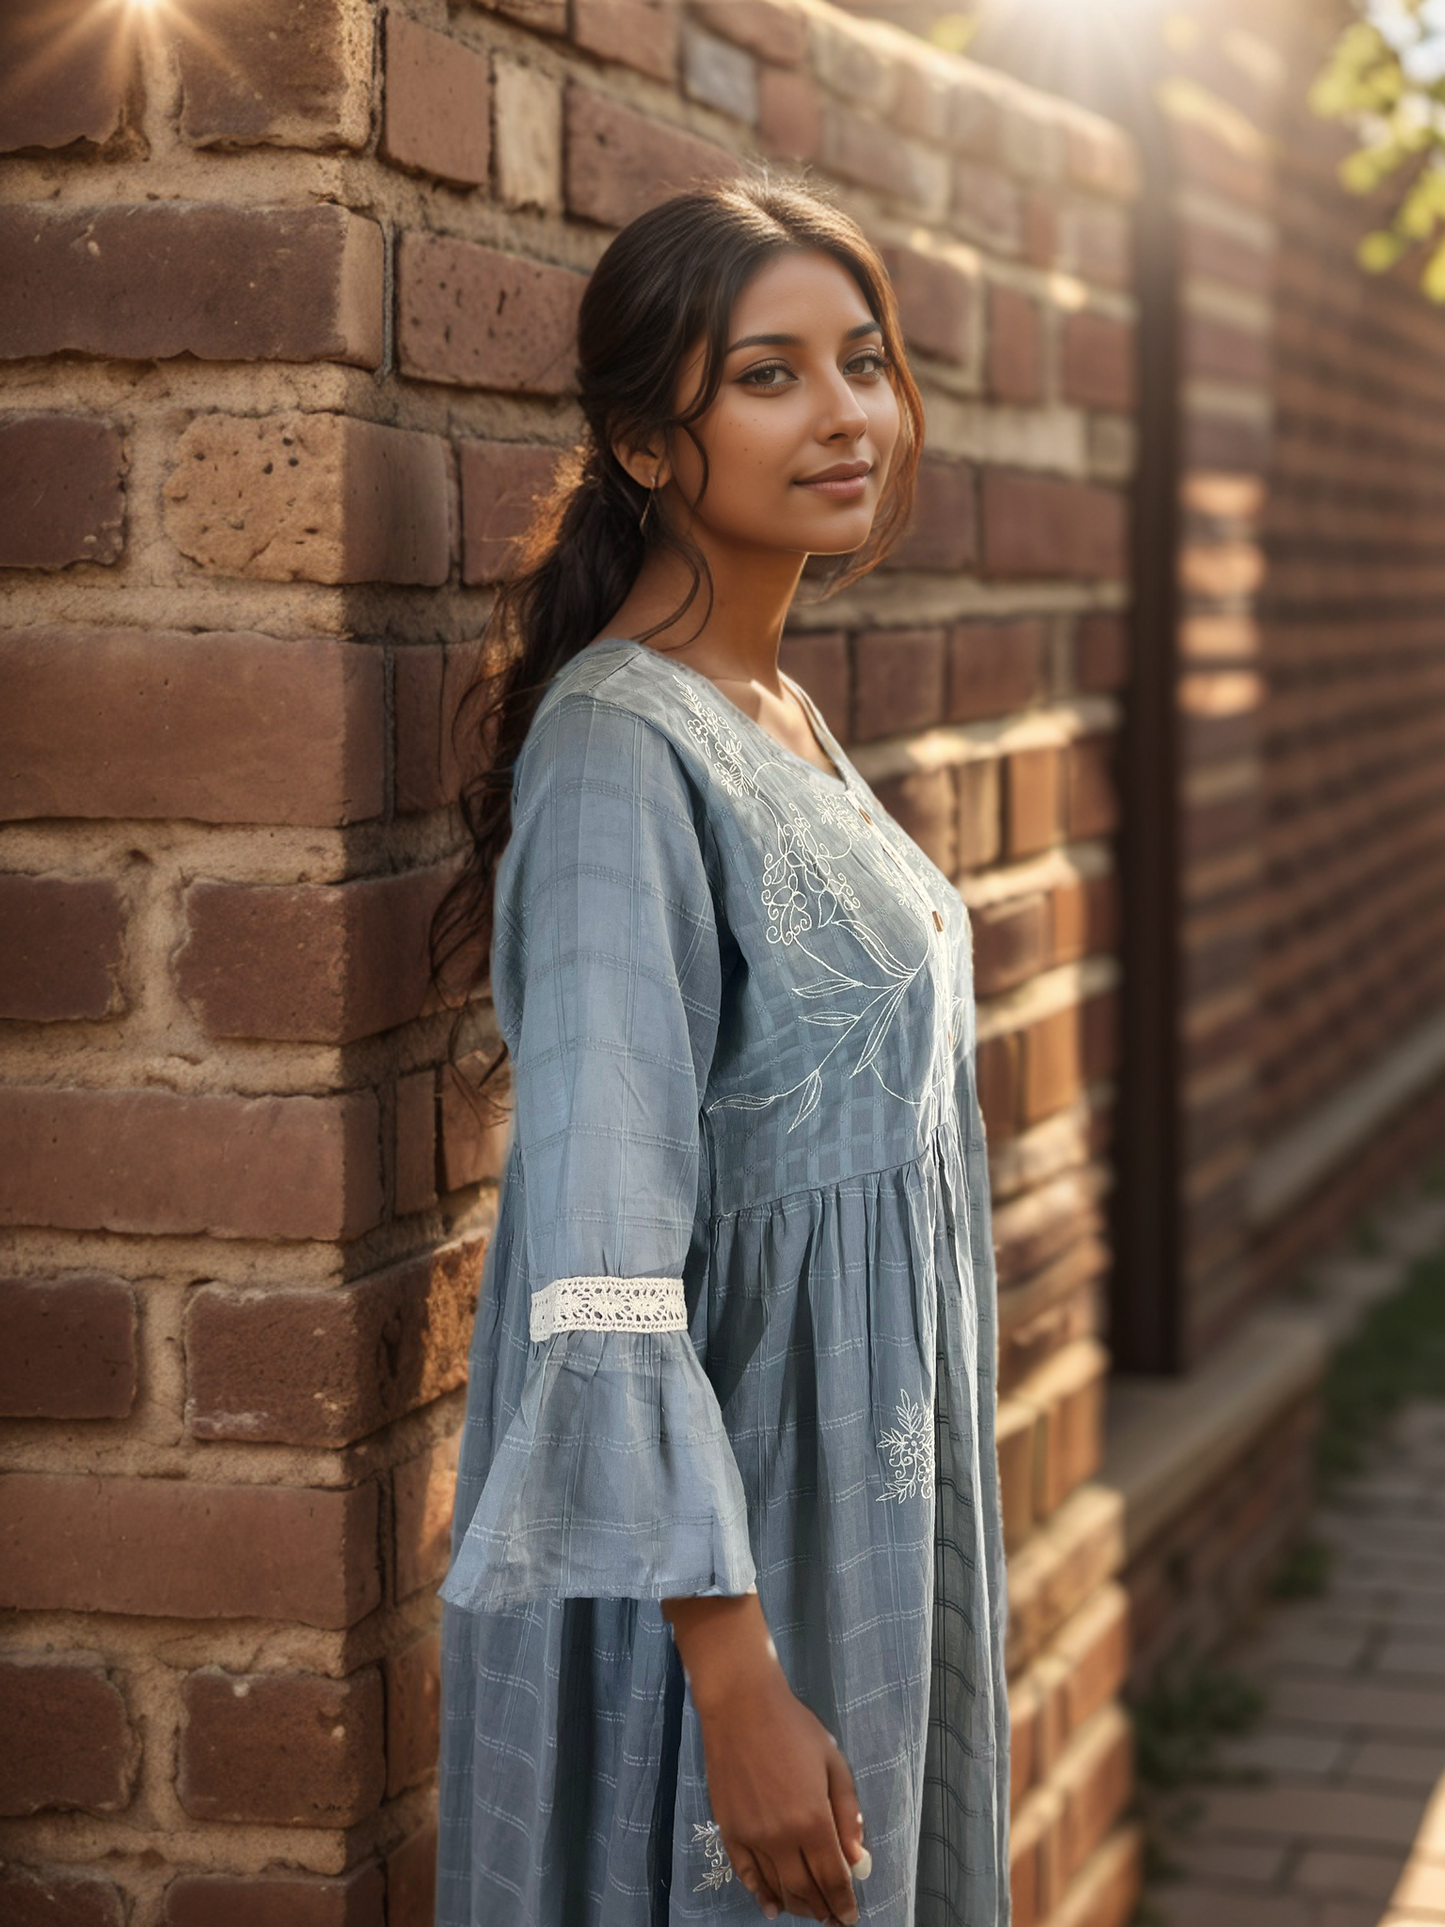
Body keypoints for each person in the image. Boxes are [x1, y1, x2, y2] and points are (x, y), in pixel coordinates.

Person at [431, 176, 1010, 1927]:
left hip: (864, 1510)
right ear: (647, 441)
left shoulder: (771, 702)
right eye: (769, 374)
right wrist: (735, 1678)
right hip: (730, 1569)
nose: (845, 414)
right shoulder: (622, 753)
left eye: (863, 361)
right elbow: (604, 1261)